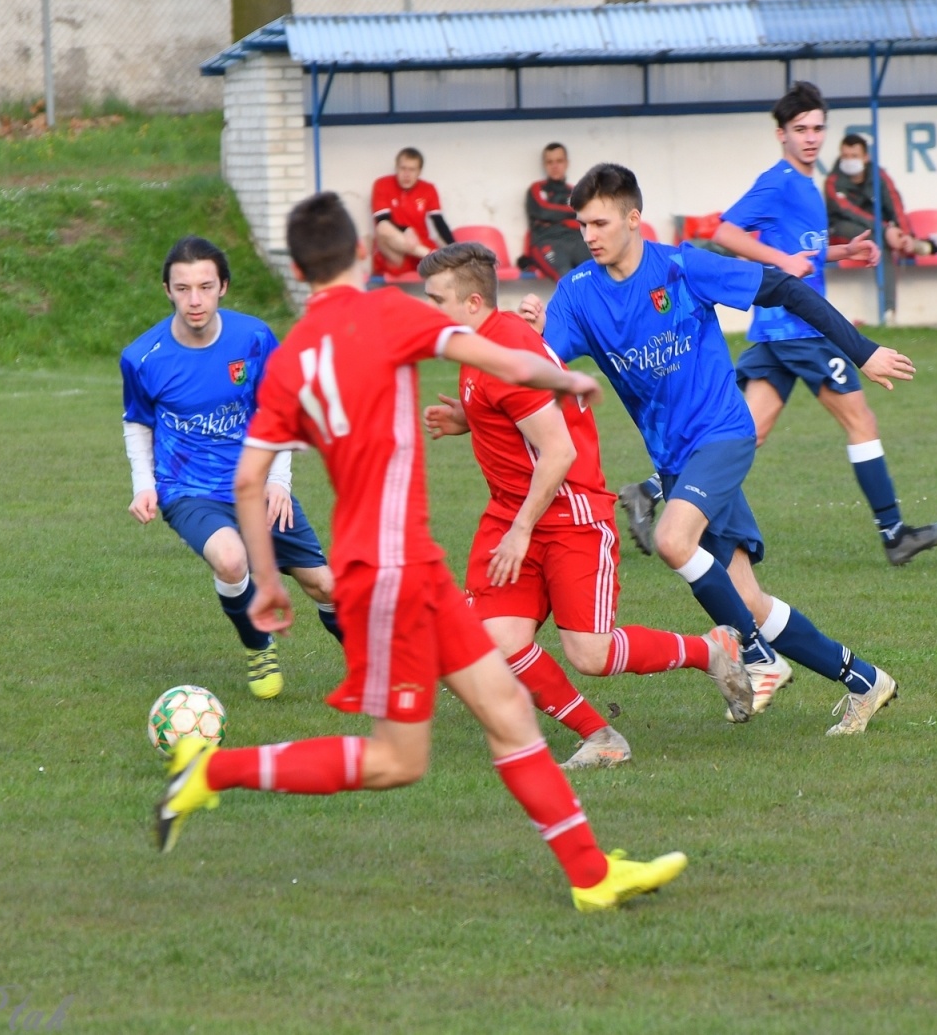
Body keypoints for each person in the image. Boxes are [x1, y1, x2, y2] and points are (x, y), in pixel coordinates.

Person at [154, 192, 687, 914]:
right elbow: (490, 353)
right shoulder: (389, 312)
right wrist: (565, 378)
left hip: (402, 566)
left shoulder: (287, 361)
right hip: (391, 576)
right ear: (362, 256)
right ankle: (212, 772)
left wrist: (266, 579)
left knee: (508, 713)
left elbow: (249, 479)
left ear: (299, 269)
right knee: (395, 759)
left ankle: (592, 876)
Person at [520, 162, 915, 737]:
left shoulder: (680, 266)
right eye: (582, 225)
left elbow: (782, 287)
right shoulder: (577, 295)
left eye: (600, 223)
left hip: (723, 435)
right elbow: (540, 371)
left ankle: (757, 659)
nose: (589, 235)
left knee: (671, 539)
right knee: (748, 599)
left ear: (635, 219)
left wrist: (861, 349)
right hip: (674, 460)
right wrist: (528, 331)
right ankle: (865, 681)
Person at [416, 242, 754, 768]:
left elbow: (559, 451)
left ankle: (710, 651)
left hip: (567, 517)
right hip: (514, 512)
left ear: (474, 303)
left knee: (589, 654)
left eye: (436, 299)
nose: (426, 310)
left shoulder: (511, 359)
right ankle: (601, 737)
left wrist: (522, 528)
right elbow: (518, 413)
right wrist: (471, 417)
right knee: (492, 640)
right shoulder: (481, 345)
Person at [709, 82, 937, 567]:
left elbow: (802, 253)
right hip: (800, 329)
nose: (811, 138)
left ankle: (651, 492)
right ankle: (894, 534)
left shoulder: (808, 183)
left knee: (746, 433)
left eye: (818, 128)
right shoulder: (778, 181)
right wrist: (780, 260)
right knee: (861, 421)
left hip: (780, 330)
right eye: (800, 129)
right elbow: (724, 231)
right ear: (781, 134)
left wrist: (843, 251)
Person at [120, 236, 342, 700]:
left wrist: (279, 481)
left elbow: (279, 411)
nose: (194, 299)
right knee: (230, 558)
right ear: (167, 290)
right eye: (182, 288)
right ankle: (258, 646)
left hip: (256, 483)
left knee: (325, 587)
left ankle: (372, 667)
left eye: (204, 286)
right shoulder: (143, 357)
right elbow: (138, 424)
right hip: (188, 490)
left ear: (223, 286)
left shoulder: (254, 338)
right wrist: (145, 485)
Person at [825, 131, 934, 318]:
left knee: (881, 240)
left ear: (866, 157)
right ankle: (889, 308)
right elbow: (850, 212)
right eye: (845, 156)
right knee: (879, 239)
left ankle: (888, 312)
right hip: (840, 229)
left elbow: (894, 203)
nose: (849, 160)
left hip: (878, 231)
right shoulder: (833, 182)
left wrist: (905, 233)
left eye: (854, 156)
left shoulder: (878, 175)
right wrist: (886, 230)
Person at [370, 147, 454, 280]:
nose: (407, 174)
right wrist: (406, 230)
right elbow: (382, 219)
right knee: (382, 227)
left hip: (419, 247)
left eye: (412, 170)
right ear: (396, 168)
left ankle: (431, 256)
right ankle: (433, 257)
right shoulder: (382, 184)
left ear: (419, 171)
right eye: (403, 168)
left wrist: (457, 250)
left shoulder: (428, 189)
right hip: (396, 253)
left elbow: (439, 222)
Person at [525, 142, 591, 279]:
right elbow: (543, 211)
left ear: (566, 163)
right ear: (545, 165)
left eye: (559, 161)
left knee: (596, 273)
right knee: (566, 277)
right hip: (547, 242)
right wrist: (571, 213)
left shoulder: (576, 192)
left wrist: (557, 217)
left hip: (577, 241)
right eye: (550, 162)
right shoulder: (536, 188)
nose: (555, 166)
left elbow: (585, 214)